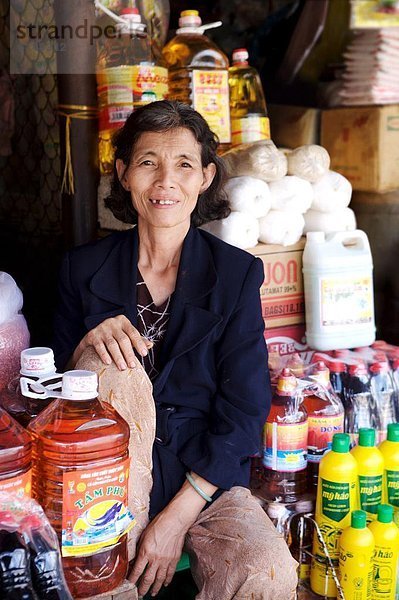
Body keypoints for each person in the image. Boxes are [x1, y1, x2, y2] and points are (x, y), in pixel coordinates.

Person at [53, 100, 298, 599]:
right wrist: (82, 349)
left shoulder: (236, 274)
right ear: (123, 174)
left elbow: (245, 409)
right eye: (148, 163)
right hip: (107, 478)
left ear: (205, 177)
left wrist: (175, 518)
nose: (166, 181)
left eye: (183, 164)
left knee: (264, 571)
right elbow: (43, 392)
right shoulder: (81, 269)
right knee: (107, 364)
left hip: (203, 478)